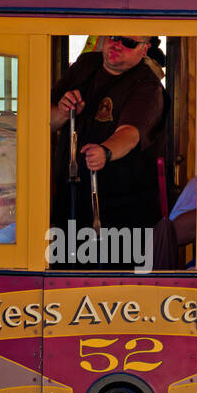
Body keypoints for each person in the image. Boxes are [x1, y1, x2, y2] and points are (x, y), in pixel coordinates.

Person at [50, 35, 166, 243]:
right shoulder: (85, 65)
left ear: (145, 49)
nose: (118, 45)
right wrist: (63, 111)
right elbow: (46, 122)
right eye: (114, 37)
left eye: (129, 43)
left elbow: (130, 134)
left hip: (121, 215)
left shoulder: (148, 85)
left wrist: (106, 151)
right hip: (69, 202)